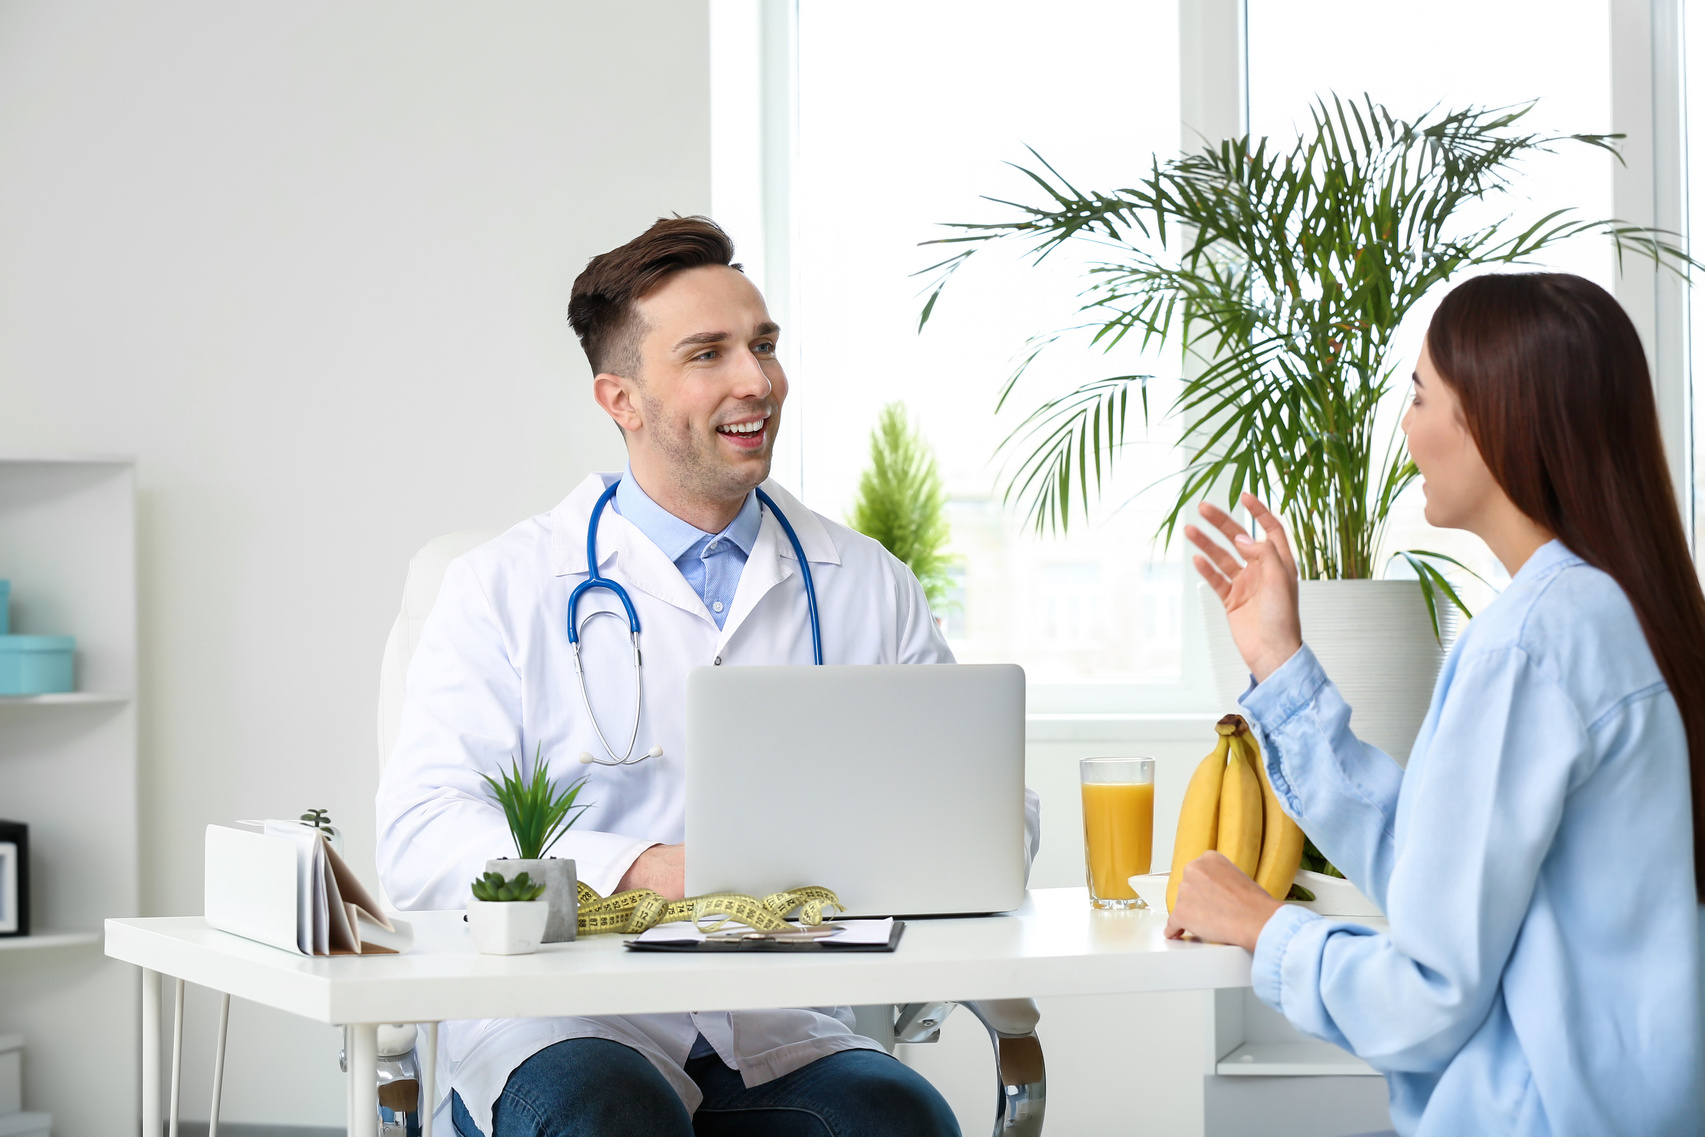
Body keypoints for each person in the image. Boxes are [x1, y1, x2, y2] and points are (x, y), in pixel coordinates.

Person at [377, 215, 1038, 1137]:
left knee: (899, 1121)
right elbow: (421, 834)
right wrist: (638, 872)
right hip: (566, 1021)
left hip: (779, 1026)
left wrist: (868, 857)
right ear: (622, 399)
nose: (755, 380)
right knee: (614, 1116)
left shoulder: (864, 582)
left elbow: (991, 818)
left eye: (763, 345)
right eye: (707, 353)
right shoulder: (503, 587)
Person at [1168, 273, 1704, 1136]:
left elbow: (1427, 996)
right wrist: (1277, 659)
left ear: (1492, 418)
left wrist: (1263, 927)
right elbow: (1439, 872)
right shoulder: (1625, 611)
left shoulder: (1528, 644)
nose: (1406, 430)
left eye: (1418, 397)